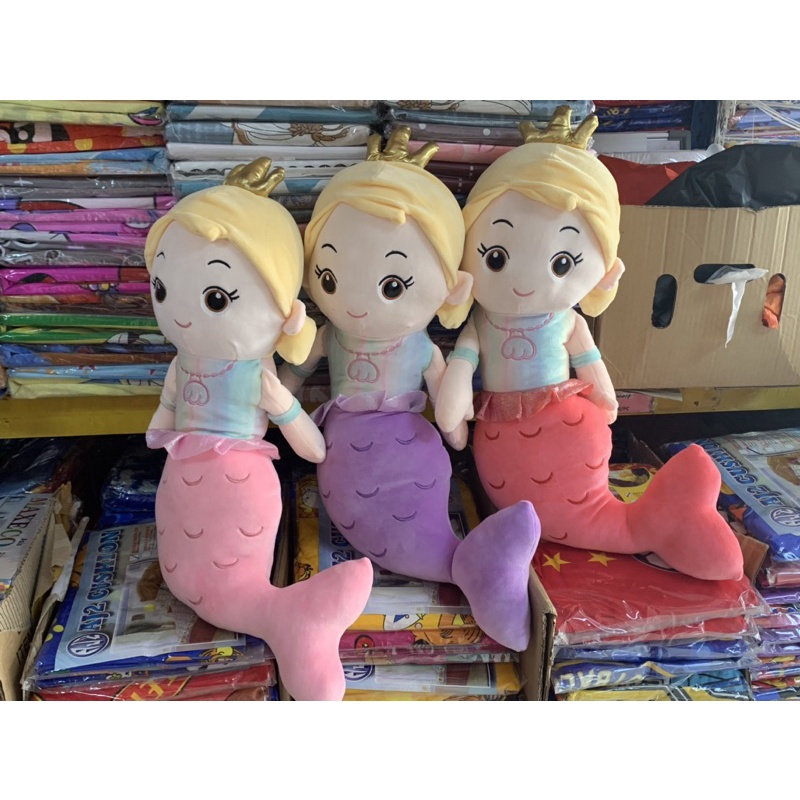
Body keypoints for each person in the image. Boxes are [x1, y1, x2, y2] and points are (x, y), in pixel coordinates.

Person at [435, 107, 743, 582]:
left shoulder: (567, 320)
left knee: (579, 507)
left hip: (563, 430)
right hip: (504, 444)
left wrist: (605, 401)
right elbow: (461, 364)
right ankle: (655, 526)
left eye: (562, 263)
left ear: (605, 270)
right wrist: (452, 415)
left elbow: (590, 364)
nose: (523, 282)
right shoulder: (481, 319)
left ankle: (658, 526)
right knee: (543, 505)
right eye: (495, 257)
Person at [280, 128, 540, 652]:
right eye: (329, 279)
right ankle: (472, 568)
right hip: (353, 463)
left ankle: (472, 567)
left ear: (451, 289)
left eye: (393, 287)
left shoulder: (423, 346)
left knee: (411, 517)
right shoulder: (331, 335)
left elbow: (448, 406)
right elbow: (293, 376)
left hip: (408, 453)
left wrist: (455, 428)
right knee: (384, 519)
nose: (357, 305)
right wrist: (278, 401)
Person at [144, 158, 373, 700]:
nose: (181, 315)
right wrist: (161, 430)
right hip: (182, 483)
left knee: (225, 567)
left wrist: (285, 406)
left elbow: (313, 449)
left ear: (284, 312)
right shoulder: (181, 363)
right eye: (163, 289)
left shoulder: (259, 373)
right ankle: (286, 620)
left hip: (240, 485)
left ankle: (287, 619)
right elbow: (162, 419)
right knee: (190, 567)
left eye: (215, 299)